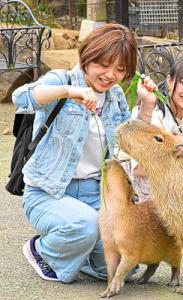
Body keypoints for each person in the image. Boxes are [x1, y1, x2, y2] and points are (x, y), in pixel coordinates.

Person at [12, 23, 137, 283]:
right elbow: (21, 97)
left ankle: (82, 257)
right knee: (86, 226)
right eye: (104, 64)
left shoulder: (115, 96)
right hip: (49, 192)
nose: (110, 74)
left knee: (122, 267)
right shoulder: (63, 79)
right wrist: (69, 92)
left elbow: (128, 142)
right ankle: (42, 250)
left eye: (120, 69)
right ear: (88, 55)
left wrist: (146, 107)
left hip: (94, 192)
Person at [124, 55, 183, 201]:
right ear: (170, 81)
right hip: (140, 184)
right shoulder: (153, 113)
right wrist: (176, 142)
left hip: (171, 177)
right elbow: (140, 169)